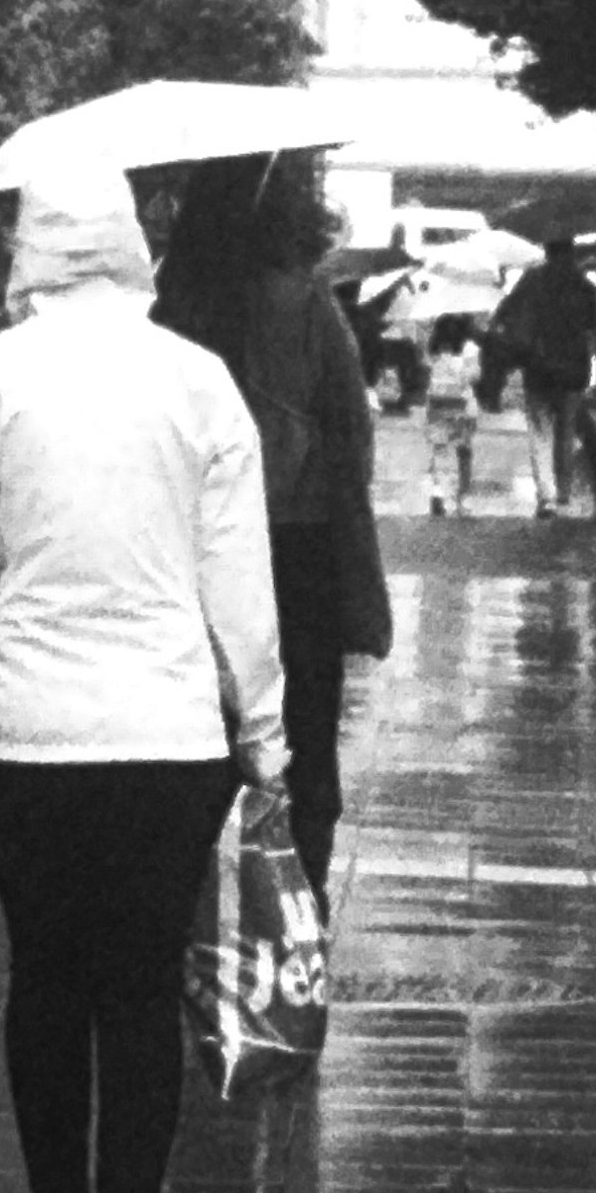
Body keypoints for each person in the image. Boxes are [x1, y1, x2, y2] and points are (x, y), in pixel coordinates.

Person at [0, 153, 288, 1193]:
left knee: (45, 971)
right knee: (138, 982)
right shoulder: (199, 380)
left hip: (21, 729)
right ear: (133, 247)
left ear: (30, 248)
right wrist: (264, 730)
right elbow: (241, 576)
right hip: (169, 729)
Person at [149, 154, 394, 905]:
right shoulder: (303, 302)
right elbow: (350, 433)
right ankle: (294, 898)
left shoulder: (167, 302)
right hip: (298, 545)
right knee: (302, 734)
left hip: (186, 550)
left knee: (197, 728)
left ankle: (193, 903)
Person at [486, 227, 596, 519]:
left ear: (547, 251)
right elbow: (594, 324)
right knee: (566, 431)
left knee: (540, 432)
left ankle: (546, 496)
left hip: (537, 367)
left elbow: (506, 313)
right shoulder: (582, 285)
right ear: (571, 252)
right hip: (574, 369)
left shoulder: (532, 281)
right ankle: (562, 492)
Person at [421, 303, 489, 513]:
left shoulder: (434, 349)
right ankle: (464, 495)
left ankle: (438, 491)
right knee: (464, 450)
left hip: (437, 403)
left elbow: (426, 368)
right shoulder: (470, 348)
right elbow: (475, 376)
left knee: (440, 449)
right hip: (463, 405)